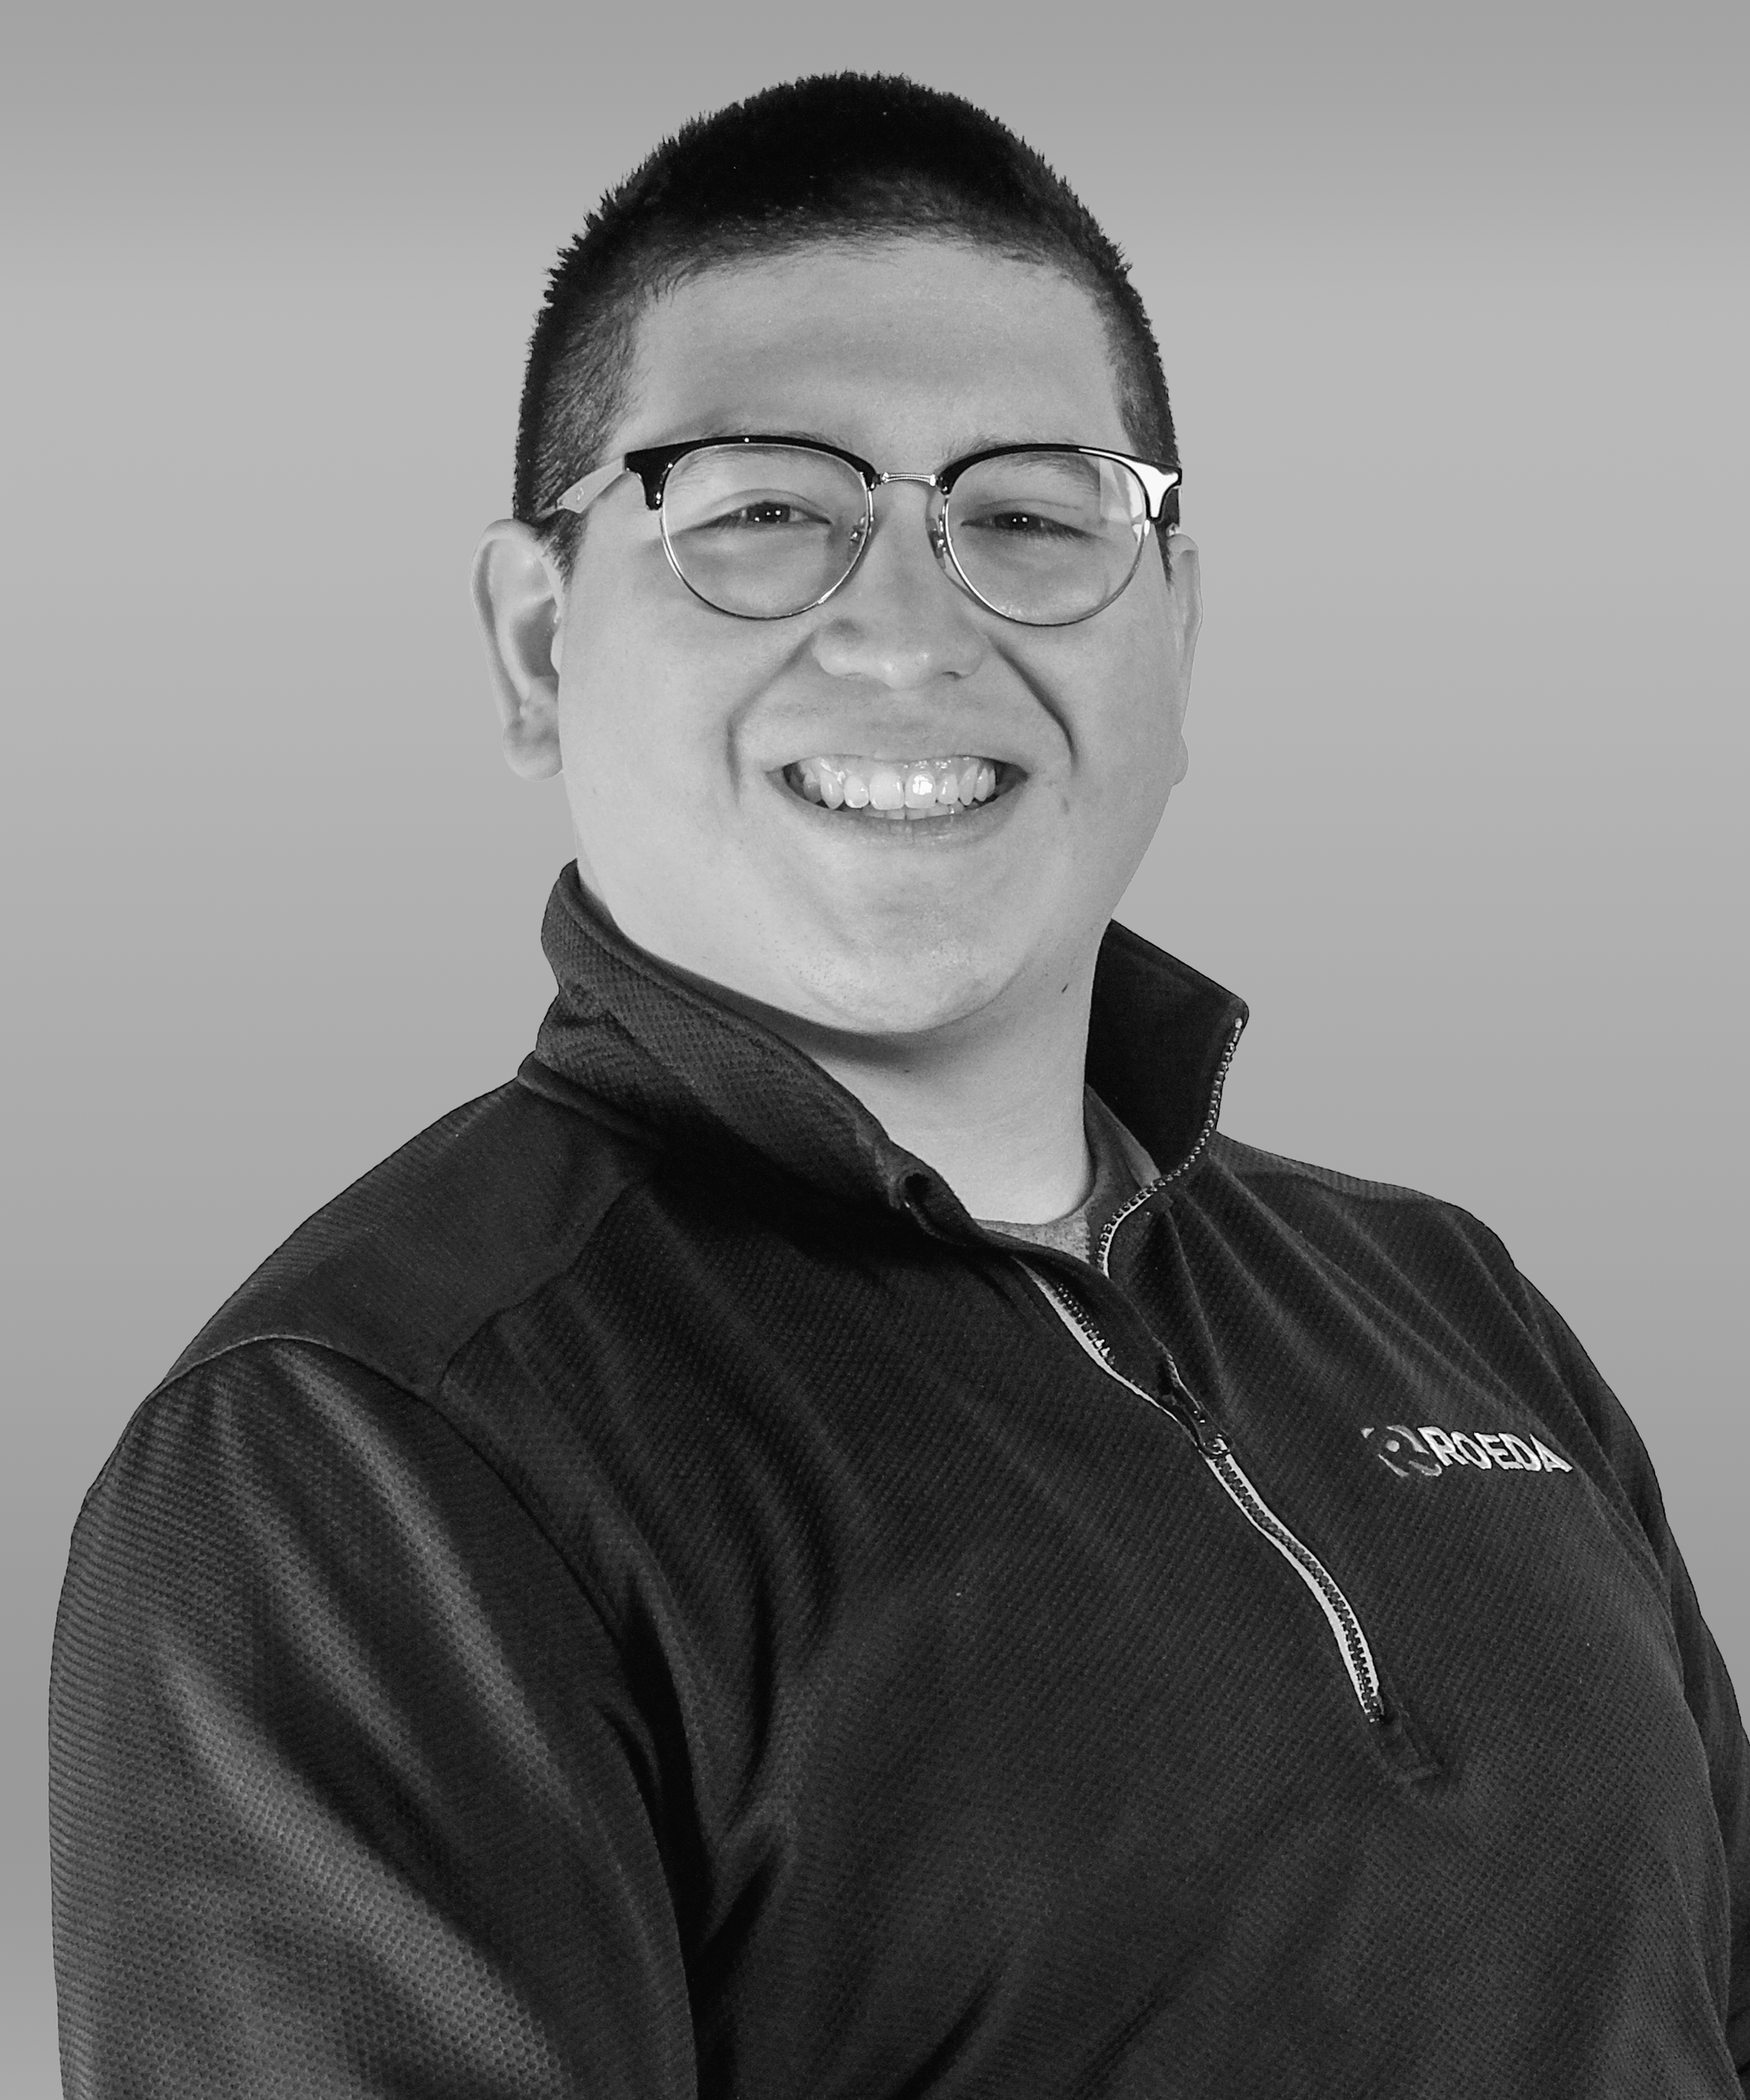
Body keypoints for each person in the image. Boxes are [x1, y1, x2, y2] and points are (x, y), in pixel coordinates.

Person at [49, 72, 1749, 2099]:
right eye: (765, 512)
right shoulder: (359, 1456)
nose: (907, 627)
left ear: (1175, 633)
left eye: (1032, 519)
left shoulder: (1453, 1312)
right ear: (532, 640)